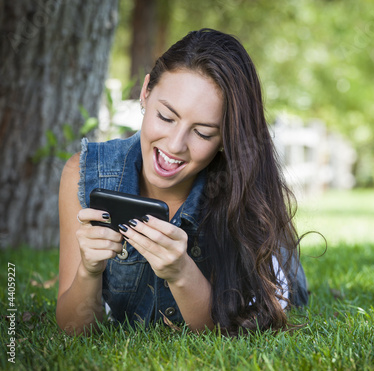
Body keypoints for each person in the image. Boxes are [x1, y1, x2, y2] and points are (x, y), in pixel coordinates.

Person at [56, 28, 308, 336]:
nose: (175, 145)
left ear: (226, 139)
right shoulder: (83, 173)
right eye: (166, 116)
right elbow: (72, 329)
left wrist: (180, 272)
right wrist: (88, 271)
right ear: (146, 91)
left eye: (202, 133)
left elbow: (235, 329)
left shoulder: (242, 190)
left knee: (285, 286)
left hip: (276, 272)